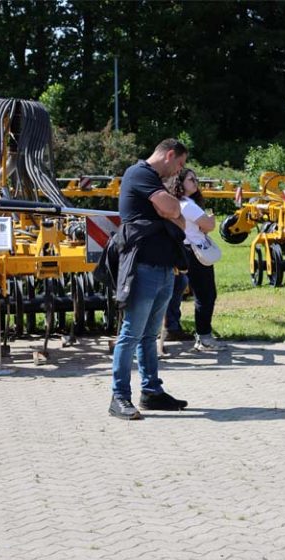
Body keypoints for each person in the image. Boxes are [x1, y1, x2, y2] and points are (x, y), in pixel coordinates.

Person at [109, 138, 190, 421]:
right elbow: (173, 210)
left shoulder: (154, 181)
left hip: (164, 268)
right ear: (169, 155)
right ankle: (119, 397)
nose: (178, 172)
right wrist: (171, 209)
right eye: (179, 164)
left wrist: (172, 209)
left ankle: (151, 392)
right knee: (131, 334)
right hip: (143, 267)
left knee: (148, 336)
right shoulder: (139, 173)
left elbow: (176, 214)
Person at [173, 167, 224, 351]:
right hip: (194, 251)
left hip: (184, 249)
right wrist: (211, 219)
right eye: (190, 179)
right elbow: (208, 225)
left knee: (198, 294)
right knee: (206, 294)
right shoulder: (187, 205)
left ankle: (202, 334)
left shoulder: (178, 203)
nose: (195, 182)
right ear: (180, 183)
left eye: (195, 179)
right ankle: (204, 337)